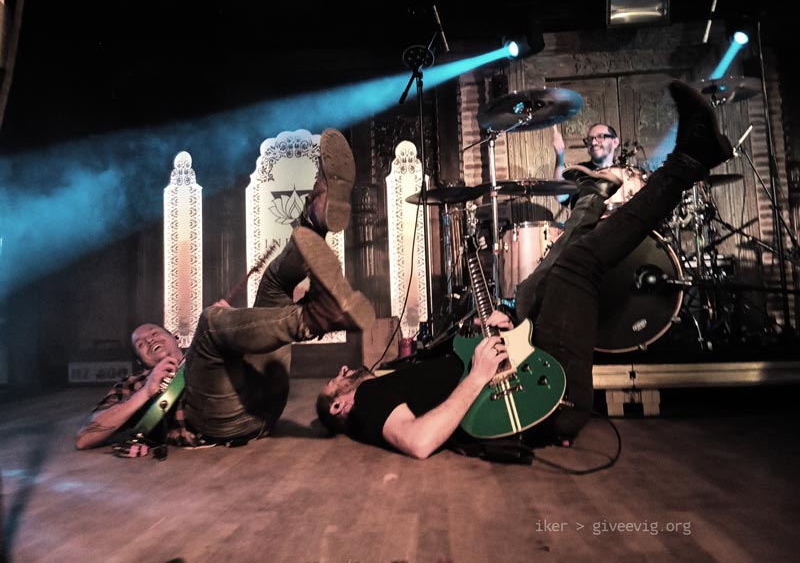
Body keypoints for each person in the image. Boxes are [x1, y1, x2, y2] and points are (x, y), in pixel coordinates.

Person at [316, 80, 733, 459]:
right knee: (576, 265)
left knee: (535, 285)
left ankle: (589, 202)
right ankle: (689, 160)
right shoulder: (368, 403)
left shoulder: (386, 380)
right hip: (543, 401)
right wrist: (478, 375)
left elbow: (444, 379)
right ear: (340, 406)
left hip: (525, 371)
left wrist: (499, 327)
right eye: (335, 383)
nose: (341, 373)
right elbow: (419, 442)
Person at [75, 128, 375, 450]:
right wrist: (147, 390)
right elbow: (85, 436)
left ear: (174, 338)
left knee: (273, 284)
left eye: (154, 334)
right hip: (222, 422)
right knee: (210, 320)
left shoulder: (200, 351)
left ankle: (315, 217)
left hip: (264, 396)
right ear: (139, 361)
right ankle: (315, 316)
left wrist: (234, 329)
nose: (150, 340)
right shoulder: (134, 384)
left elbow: (234, 337)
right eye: (142, 345)